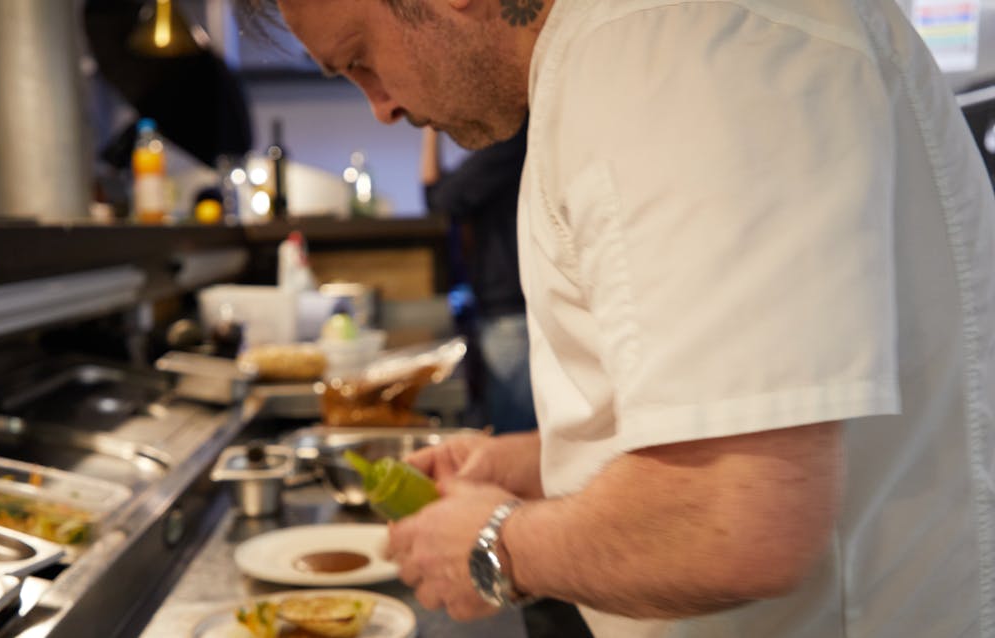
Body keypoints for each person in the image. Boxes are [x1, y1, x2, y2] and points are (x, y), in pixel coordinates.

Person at [238, 0, 995, 636]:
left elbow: (733, 521)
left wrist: (496, 547)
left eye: (362, 57)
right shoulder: (610, 55)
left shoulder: (664, 46)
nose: (380, 106)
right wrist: (538, 463)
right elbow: (740, 413)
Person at [422, 124, 536, 434]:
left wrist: (430, 128)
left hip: (511, 310)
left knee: (514, 433)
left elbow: (440, 199)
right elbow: (437, 196)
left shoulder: (513, 138)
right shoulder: (517, 140)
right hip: (510, 307)